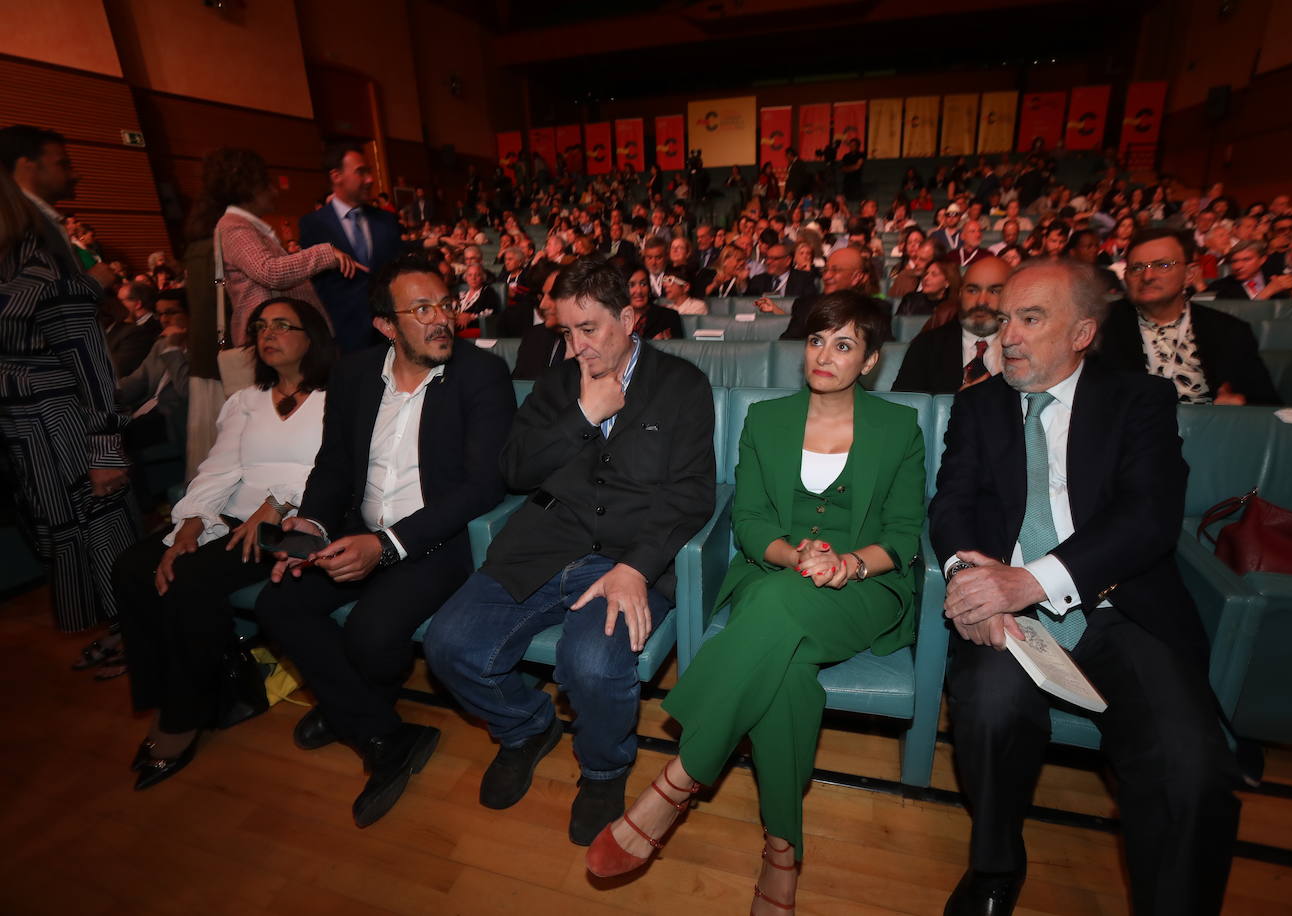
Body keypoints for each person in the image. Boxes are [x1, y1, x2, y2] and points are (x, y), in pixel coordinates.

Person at [584, 291, 924, 913]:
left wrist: (848, 562)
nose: (824, 354)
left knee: (774, 619)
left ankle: (678, 780)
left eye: (844, 344)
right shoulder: (765, 420)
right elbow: (749, 520)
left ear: (870, 361)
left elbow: (903, 536)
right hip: (776, 574)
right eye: (818, 340)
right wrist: (796, 557)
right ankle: (782, 850)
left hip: (864, 589)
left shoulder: (899, 428)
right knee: (786, 669)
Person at [930, 258, 1240, 916]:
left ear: (1081, 333)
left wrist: (1027, 581)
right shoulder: (979, 405)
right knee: (987, 712)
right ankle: (995, 868)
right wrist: (967, 581)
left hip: (1118, 607)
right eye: (1006, 317)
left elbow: (1149, 517)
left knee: (1189, 768)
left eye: (1031, 318)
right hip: (1011, 619)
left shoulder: (1138, 401)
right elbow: (950, 506)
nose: (1007, 334)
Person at [422, 254, 715, 848]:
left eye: (590, 329)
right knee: (447, 645)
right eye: (566, 331)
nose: (577, 346)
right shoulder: (557, 386)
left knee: (591, 663)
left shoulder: (682, 385)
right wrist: (584, 414)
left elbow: (692, 494)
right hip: (543, 543)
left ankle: (604, 769)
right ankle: (526, 729)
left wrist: (636, 567)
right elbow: (514, 469)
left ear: (629, 317)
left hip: (630, 555)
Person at [255, 255, 516, 828]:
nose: (442, 319)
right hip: (355, 528)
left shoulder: (480, 374)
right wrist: (315, 524)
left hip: (437, 540)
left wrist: (388, 545)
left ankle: (356, 710)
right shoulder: (353, 375)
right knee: (278, 604)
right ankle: (378, 727)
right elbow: (330, 468)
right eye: (422, 309)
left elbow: (482, 486)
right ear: (386, 326)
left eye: (446, 304)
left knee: (373, 632)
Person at [111, 297, 334, 789]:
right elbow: (219, 469)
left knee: (189, 581)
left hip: (294, 519)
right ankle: (173, 693)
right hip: (230, 514)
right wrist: (191, 521)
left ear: (311, 337)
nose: (267, 334)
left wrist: (278, 502)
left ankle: (182, 717)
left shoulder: (336, 399)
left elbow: (337, 472)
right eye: (260, 327)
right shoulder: (247, 401)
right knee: (132, 568)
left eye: (282, 325)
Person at [0, 169, 138, 634]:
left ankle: (135, 637)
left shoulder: (40, 268)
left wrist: (104, 449)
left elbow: (91, 361)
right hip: (23, 437)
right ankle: (114, 632)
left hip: (63, 430)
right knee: (60, 538)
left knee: (101, 534)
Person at [1096, 229, 1280, 405]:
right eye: (1136, 268)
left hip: (1207, 430)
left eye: (1163, 265)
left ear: (1189, 274)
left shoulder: (1228, 331)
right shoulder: (1097, 326)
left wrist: (1241, 403)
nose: (1148, 276)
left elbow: (1266, 403)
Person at [207, 147, 360, 346]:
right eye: (268, 185)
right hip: (273, 340)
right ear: (250, 188)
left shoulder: (244, 225)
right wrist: (326, 253)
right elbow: (270, 271)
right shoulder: (233, 226)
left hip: (281, 337)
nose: (275, 192)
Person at [299, 142, 403, 352]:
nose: (370, 179)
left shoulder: (387, 221)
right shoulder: (313, 225)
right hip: (344, 341)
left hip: (392, 336)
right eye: (361, 172)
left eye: (369, 171)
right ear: (336, 176)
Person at [0, 124, 113, 289]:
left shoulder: (38, 218)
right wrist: (93, 284)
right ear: (27, 166)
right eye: (63, 164)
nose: (76, 175)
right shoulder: (13, 222)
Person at [893, 256, 1009, 394]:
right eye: (972, 290)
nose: (981, 301)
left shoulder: (1028, 348)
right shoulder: (926, 346)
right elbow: (905, 408)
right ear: (960, 294)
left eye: (994, 291)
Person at [117, 288, 191, 452]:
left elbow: (186, 392)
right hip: (145, 410)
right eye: (160, 314)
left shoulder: (203, 349)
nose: (164, 320)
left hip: (172, 419)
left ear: (190, 314)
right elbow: (137, 380)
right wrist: (102, 394)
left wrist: (173, 349)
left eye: (171, 313)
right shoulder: (161, 344)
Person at [780, 245, 867, 339]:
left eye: (835, 270)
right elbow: (788, 346)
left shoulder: (875, 311)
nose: (826, 276)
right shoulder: (806, 307)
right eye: (825, 270)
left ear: (856, 277)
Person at [513, 265, 567, 380]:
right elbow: (517, 386)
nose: (543, 305)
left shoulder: (595, 348)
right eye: (543, 295)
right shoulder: (533, 337)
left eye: (553, 295)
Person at [107, 280, 164, 376]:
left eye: (120, 301)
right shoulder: (120, 324)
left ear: (137, 304)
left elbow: (119, 369)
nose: (116, 305)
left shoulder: (149, 329)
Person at [1208, 241, 1292, 300]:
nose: (1238, 266)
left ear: (1262, 260)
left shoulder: (1276, 280)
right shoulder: (1221, 287)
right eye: (1234, 261)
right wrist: (1266, 293)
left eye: (1246, 259)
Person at [746, 243, 815, 297]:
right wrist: (743, 283)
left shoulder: (803, 280)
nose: (768, 262)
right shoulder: (758, 280)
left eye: (774, 259)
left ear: (787, 261)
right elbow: (746, 303)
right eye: (767, 258)